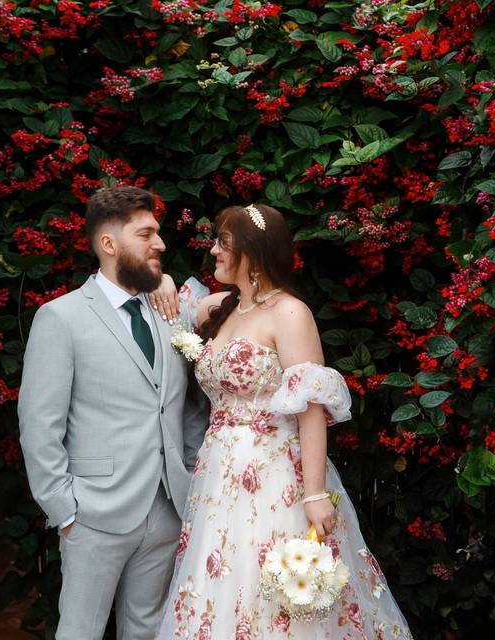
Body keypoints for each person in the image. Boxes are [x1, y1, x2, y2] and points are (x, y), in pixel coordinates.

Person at [153, 204, 414, 638]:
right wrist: (161, 279)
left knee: (274, 594)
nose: (213, 251)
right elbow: (165, 302)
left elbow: (310, 408)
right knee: (218, 586)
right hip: (217, 479)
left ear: (252, 252)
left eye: (224, 244)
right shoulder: (221, 308)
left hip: (276, 478)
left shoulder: (290, 313)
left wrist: (314, 494)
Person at [17, 186, 209, 640]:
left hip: (166, 508)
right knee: (81, 631)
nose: (160, 244)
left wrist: (188, 473)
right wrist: (64, 510)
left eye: (158, 233)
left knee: (146, 631)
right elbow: (39, 425)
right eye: (146, 234)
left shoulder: (170, 312)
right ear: (108, 244)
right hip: (92, 512)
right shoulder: (60, 318)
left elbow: (187, 409)